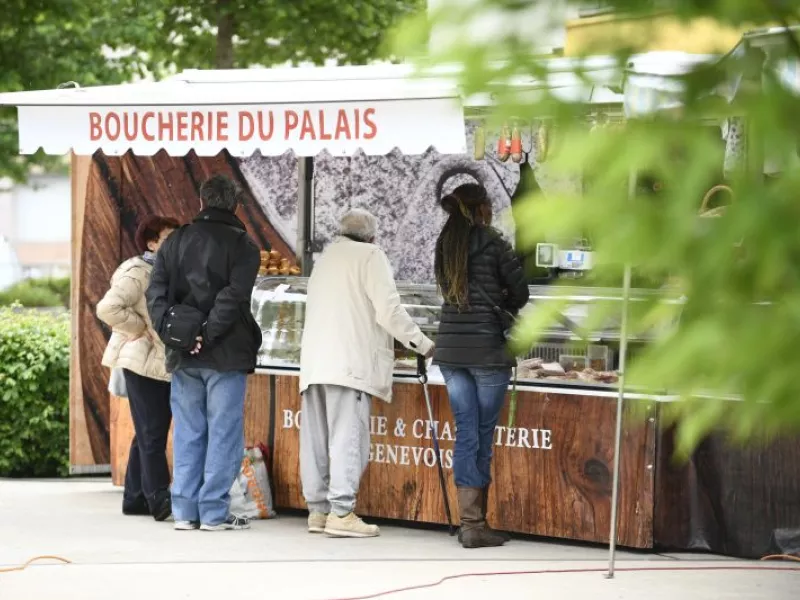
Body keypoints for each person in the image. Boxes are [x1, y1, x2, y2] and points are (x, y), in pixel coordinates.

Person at [299, 208, 434, 538]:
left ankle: (318, 511)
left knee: (315, 440)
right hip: (349, 364)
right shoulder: (371, 255)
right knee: (348, 437)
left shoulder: (326, 257)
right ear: (372, 236)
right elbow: (389, 310)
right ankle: (342, 513)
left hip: (315, 363)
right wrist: (421, 342)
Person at [146, 175, 263, 532]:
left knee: (188, 431)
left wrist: (178, 336)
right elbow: (234, 296)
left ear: (202, 201)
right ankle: (213, 512)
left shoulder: (175, 240)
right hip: (225, 353)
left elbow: (155, 294)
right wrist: (207, 334)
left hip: (184, 356)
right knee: (224, 432)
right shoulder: (244, 246)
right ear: (235, 204)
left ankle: (184, 511)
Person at [433, 183, 530, 549]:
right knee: (482, 435)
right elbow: (520, 293)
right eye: (489, 203)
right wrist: (501, 300)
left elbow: (445, 290)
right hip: (487, 351)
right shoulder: (493, 242)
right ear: (481, 208)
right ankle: (475, 526)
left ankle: (470, 523)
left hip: (451, 354)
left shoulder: (446, 243)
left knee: (465, 433)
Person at [97, 215, 179, 521]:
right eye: (168, 238)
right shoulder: (137, 271)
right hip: (140, 361)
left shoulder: (164, 270)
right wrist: (137, 326)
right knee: (152, 433)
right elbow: (107, 308)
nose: (175, 243)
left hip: (156, 361)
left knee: (148, 431)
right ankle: (159, 499)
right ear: (152, 242)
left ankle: (134, 498)